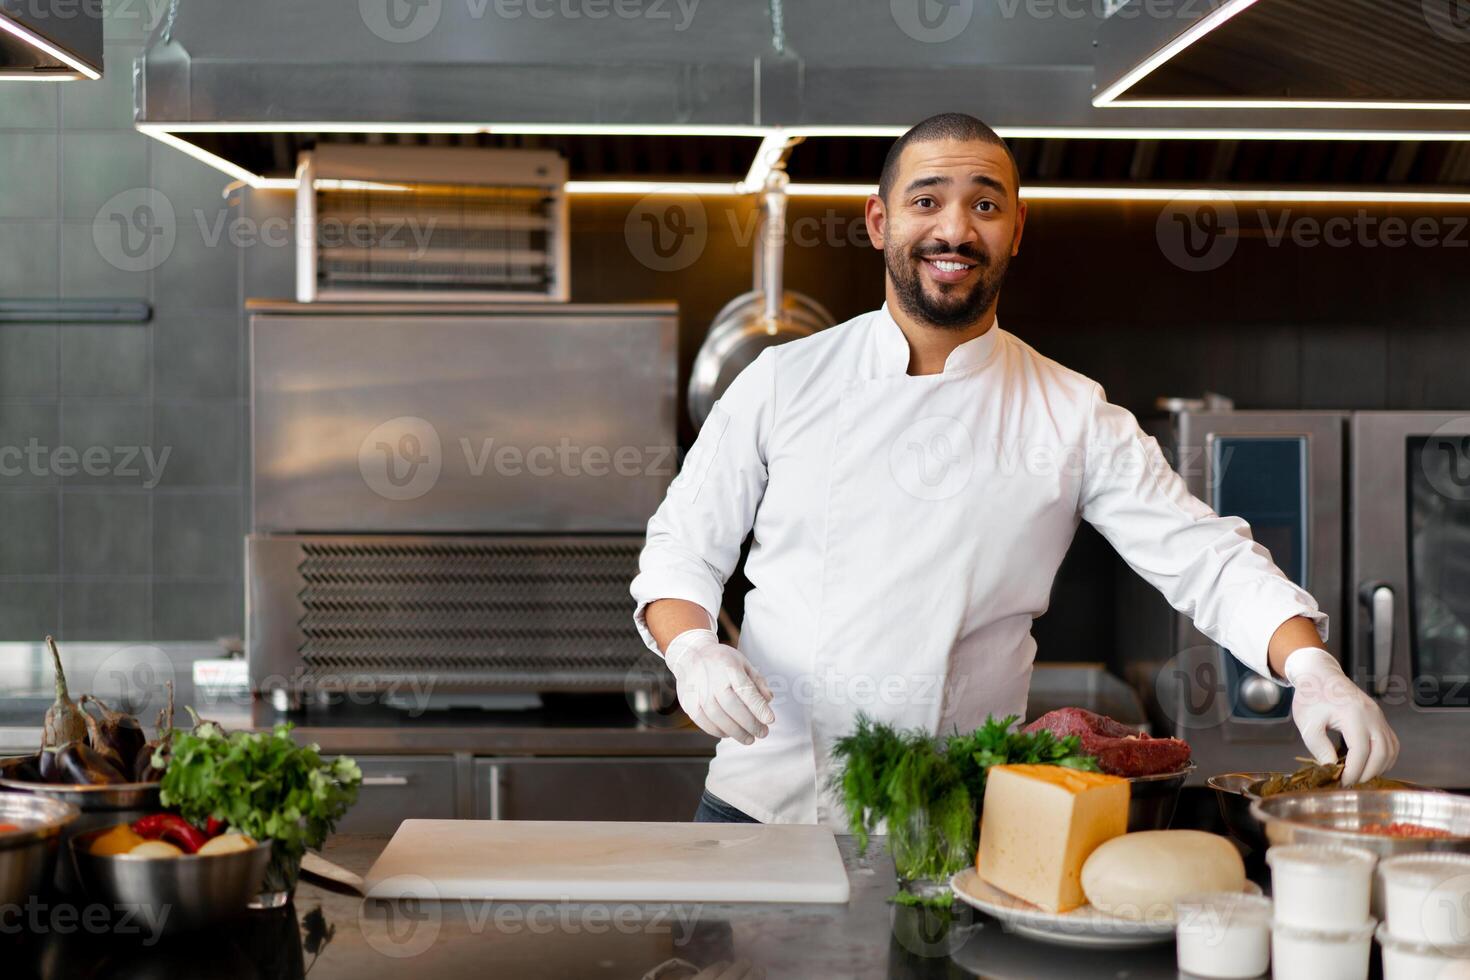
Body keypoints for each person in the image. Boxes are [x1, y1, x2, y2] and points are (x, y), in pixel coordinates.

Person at [631, 112, 1399, 826]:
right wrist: (694, 650)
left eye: (985, 206)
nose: (955, 230)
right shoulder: (781, 379)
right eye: (926, 201)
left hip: (956, 822)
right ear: (879, 222)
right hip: (765, 808)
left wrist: (1311, 667)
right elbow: (681, 549)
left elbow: (1204, 557)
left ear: (1016, 229)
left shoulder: (1069, 412)